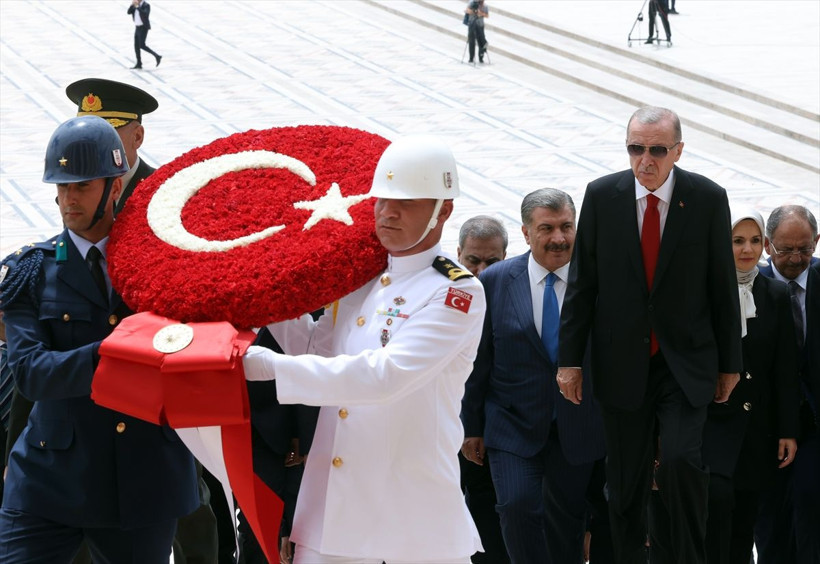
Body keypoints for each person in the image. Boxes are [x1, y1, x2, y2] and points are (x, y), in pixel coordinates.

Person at [242, 134, 486, 563]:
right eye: (381, 199)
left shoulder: (455, 292)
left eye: (406, 202)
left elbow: (383, 377)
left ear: (443, 210)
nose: (388, 212)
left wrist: (267, 368)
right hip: (332, 514)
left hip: (409, 522)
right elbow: (320, 349)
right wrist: (263, 296)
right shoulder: (364, 278)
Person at [0, 116, 198, 563]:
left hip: (143, 479)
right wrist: (127, 347)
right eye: (62, 186)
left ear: (114, 187)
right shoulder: (30, 272)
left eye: (82, 186)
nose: (69, 199)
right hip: (49, 482)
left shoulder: (163, 263)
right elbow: (32, 375)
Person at [556, 106, 742, 564]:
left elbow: (722, 284)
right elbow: (583, 284)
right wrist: (569, 359)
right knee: (624, 483)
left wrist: (730, 364)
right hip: (622, 361)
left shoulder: (707, 198)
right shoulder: (602, 196)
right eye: (635, 148)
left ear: (678, 150)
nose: (645, 160)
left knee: (680, 463)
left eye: (657, 150)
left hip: (685, 361)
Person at [65, 77, 221, 564]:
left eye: (111, 133)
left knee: (187, 503)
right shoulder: (79, 190)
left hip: (160, 375)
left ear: (137, 137)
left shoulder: (168, 198)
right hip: (91, 373)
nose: (99, 146)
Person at [462, 188, 608, 563]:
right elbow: (479, 361)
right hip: (512, 423)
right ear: (526, 233)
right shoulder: (495, 281)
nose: (558, 238)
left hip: (579, 423)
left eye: (566, 227)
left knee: (566, 520)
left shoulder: (601, 280)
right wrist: (471, 426)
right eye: (547, 228)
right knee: (516, 506)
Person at [701, 206, 799, 564]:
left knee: (746, 522)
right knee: (716, 513)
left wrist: (788, 430)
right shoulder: (704, 289)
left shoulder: (774, 293)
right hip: (712, 425)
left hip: (757, 428)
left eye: (755, 240)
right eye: (737, 240)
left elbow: (785, 369)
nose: (747, 249)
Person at [754, 204, 820, 564]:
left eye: (805, 249)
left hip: (814, 420)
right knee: (770, 520)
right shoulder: (751, 285)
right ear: (767, 246)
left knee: (811, 511)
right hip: (767, 423)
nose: (796, 258)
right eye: (786, 250)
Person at [456, 215, 509, 564]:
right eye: (472, 260)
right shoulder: (441, 292)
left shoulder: (512, 292)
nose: (481, 270)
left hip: (495, 428)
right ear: (458, 253)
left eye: (492, 261)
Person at [65, 77, 159, 213]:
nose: (94, 144)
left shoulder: (162, 190)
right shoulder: (74, 190)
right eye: (87, 134)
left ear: (138, 137)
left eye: (107, 134)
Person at [127, 0, 162, 69]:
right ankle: (139, 63)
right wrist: (132, 5)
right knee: (136, 46)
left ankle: (157, 56)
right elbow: (128, 12)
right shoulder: (135, 5)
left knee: (142, 45)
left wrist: (137, 7)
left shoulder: (146, 5)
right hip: (137, 27)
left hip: (143, 28)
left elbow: (145, 14)